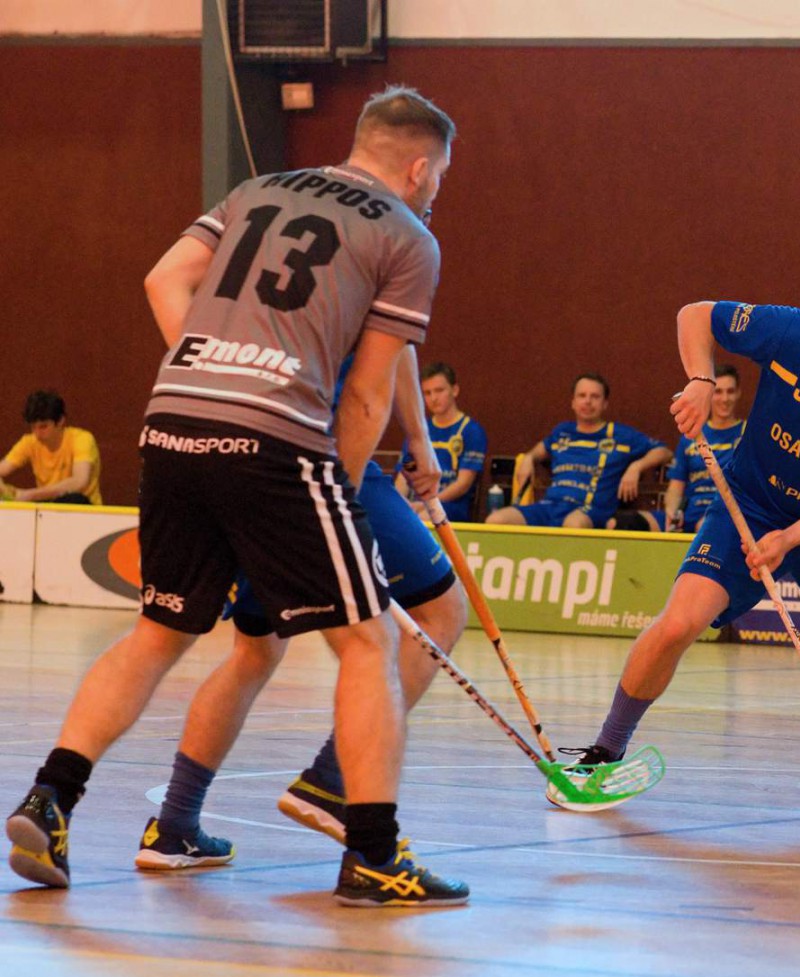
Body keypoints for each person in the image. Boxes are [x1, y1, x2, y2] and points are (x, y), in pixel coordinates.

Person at [5, 86, 469, 906]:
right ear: (419, 167)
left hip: (174, 418)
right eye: (439, 177)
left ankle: (51, 798)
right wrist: (337, 495)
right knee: (367, 643)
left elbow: (163, 278)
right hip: (276, 442)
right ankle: (372, 854)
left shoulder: (258, 190)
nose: (436, 192)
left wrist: (211, 367)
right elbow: (366, 397)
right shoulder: (408, 235)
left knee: (157, 634)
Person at [558, 284, 800, 811]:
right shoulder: (795, 334)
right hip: (747, 505)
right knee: (676, 626)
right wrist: (700, 381)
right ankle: (604, 754)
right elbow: (695, 314)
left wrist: (793, 537)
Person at [133, 349, 468, 869]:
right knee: (440, 613)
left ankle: (174, 823)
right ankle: (333, 781)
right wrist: (419, 440)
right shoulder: (374, 290)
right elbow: (392, 345)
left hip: (240, 459)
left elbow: (173, 302)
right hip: (323, 457)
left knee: (255, 651)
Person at [486, 373, 670, 528]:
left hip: (591, 509)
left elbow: (664, 451)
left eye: (595, 396)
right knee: (496, 521)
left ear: (605, 403)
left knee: (573, 525)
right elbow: (538, 451)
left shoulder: (621, 435)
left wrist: (636, 467)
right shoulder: (562, 432)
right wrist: (528, 458)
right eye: (582, 396)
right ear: (573, 402)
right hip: (551, 505)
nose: (587, 401)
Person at [643, 363, 745, 533]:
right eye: (718, 392)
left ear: (738, 393)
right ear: (709, 394)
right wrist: (672, 512)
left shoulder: (747, 434)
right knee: (628, 523)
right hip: (689, 513)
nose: (725, 399)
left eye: (730, 392)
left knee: (706, 526)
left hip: (725, 513)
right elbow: (676, 487)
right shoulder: (692, 434)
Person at [405, 361, 486, 521]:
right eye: (427, 393)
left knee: (423, 518)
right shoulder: (418, 431)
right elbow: (405, 476)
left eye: (439, 391)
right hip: (418, 503)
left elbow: (463, 484)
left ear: (454, 390)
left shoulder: (471, 431)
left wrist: (427, 503)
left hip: (451, 505)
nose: (433, 398)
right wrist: (400, 503)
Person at [0, 390, 103, 504]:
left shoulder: (82, 439)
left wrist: (29, 494)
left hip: (83, 509)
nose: (37, 433)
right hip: (49, 507)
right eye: (33, 427)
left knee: (74, 498)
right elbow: (3, 468)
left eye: (43, 427)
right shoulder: (29, 442)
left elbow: (79, 481)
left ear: (60, 421)